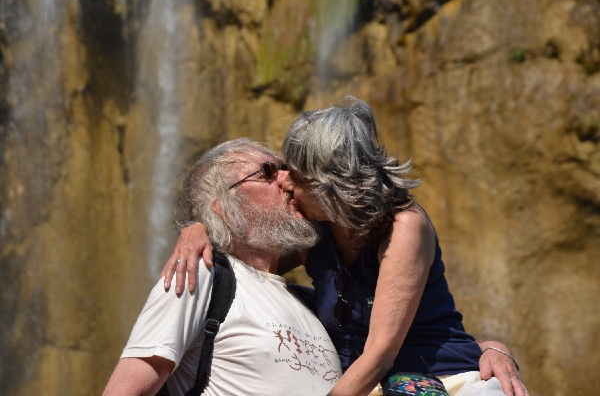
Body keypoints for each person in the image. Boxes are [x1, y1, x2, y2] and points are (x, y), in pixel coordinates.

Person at [162, 97, 527, 396]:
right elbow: (250, 254)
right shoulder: (314, 229)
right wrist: (197, 229)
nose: (284, 182)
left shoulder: (404, 227)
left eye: (297, 174)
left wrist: (493, 348)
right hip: (363, 385)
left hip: (446, 381)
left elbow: (381, 354)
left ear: (328, 185)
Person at [103, 139, 343, 396]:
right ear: (222, 207)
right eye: (268, 173)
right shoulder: (198, 275)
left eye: (285, 168)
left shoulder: (312, 303)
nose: (287, 180)